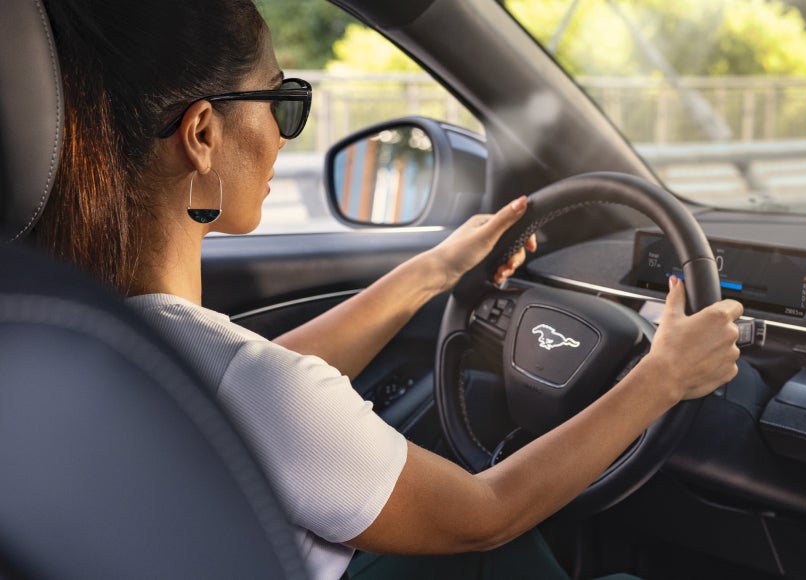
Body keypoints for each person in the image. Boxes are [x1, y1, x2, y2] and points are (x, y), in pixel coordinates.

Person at [35, 1, 743, 579]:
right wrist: (664, 377)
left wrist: (435, 270)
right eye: (282, 102)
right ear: (201, 133)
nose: (286, 138)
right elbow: (483, 516)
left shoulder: (72, 333)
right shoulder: (250, 383)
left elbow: (253, 390)